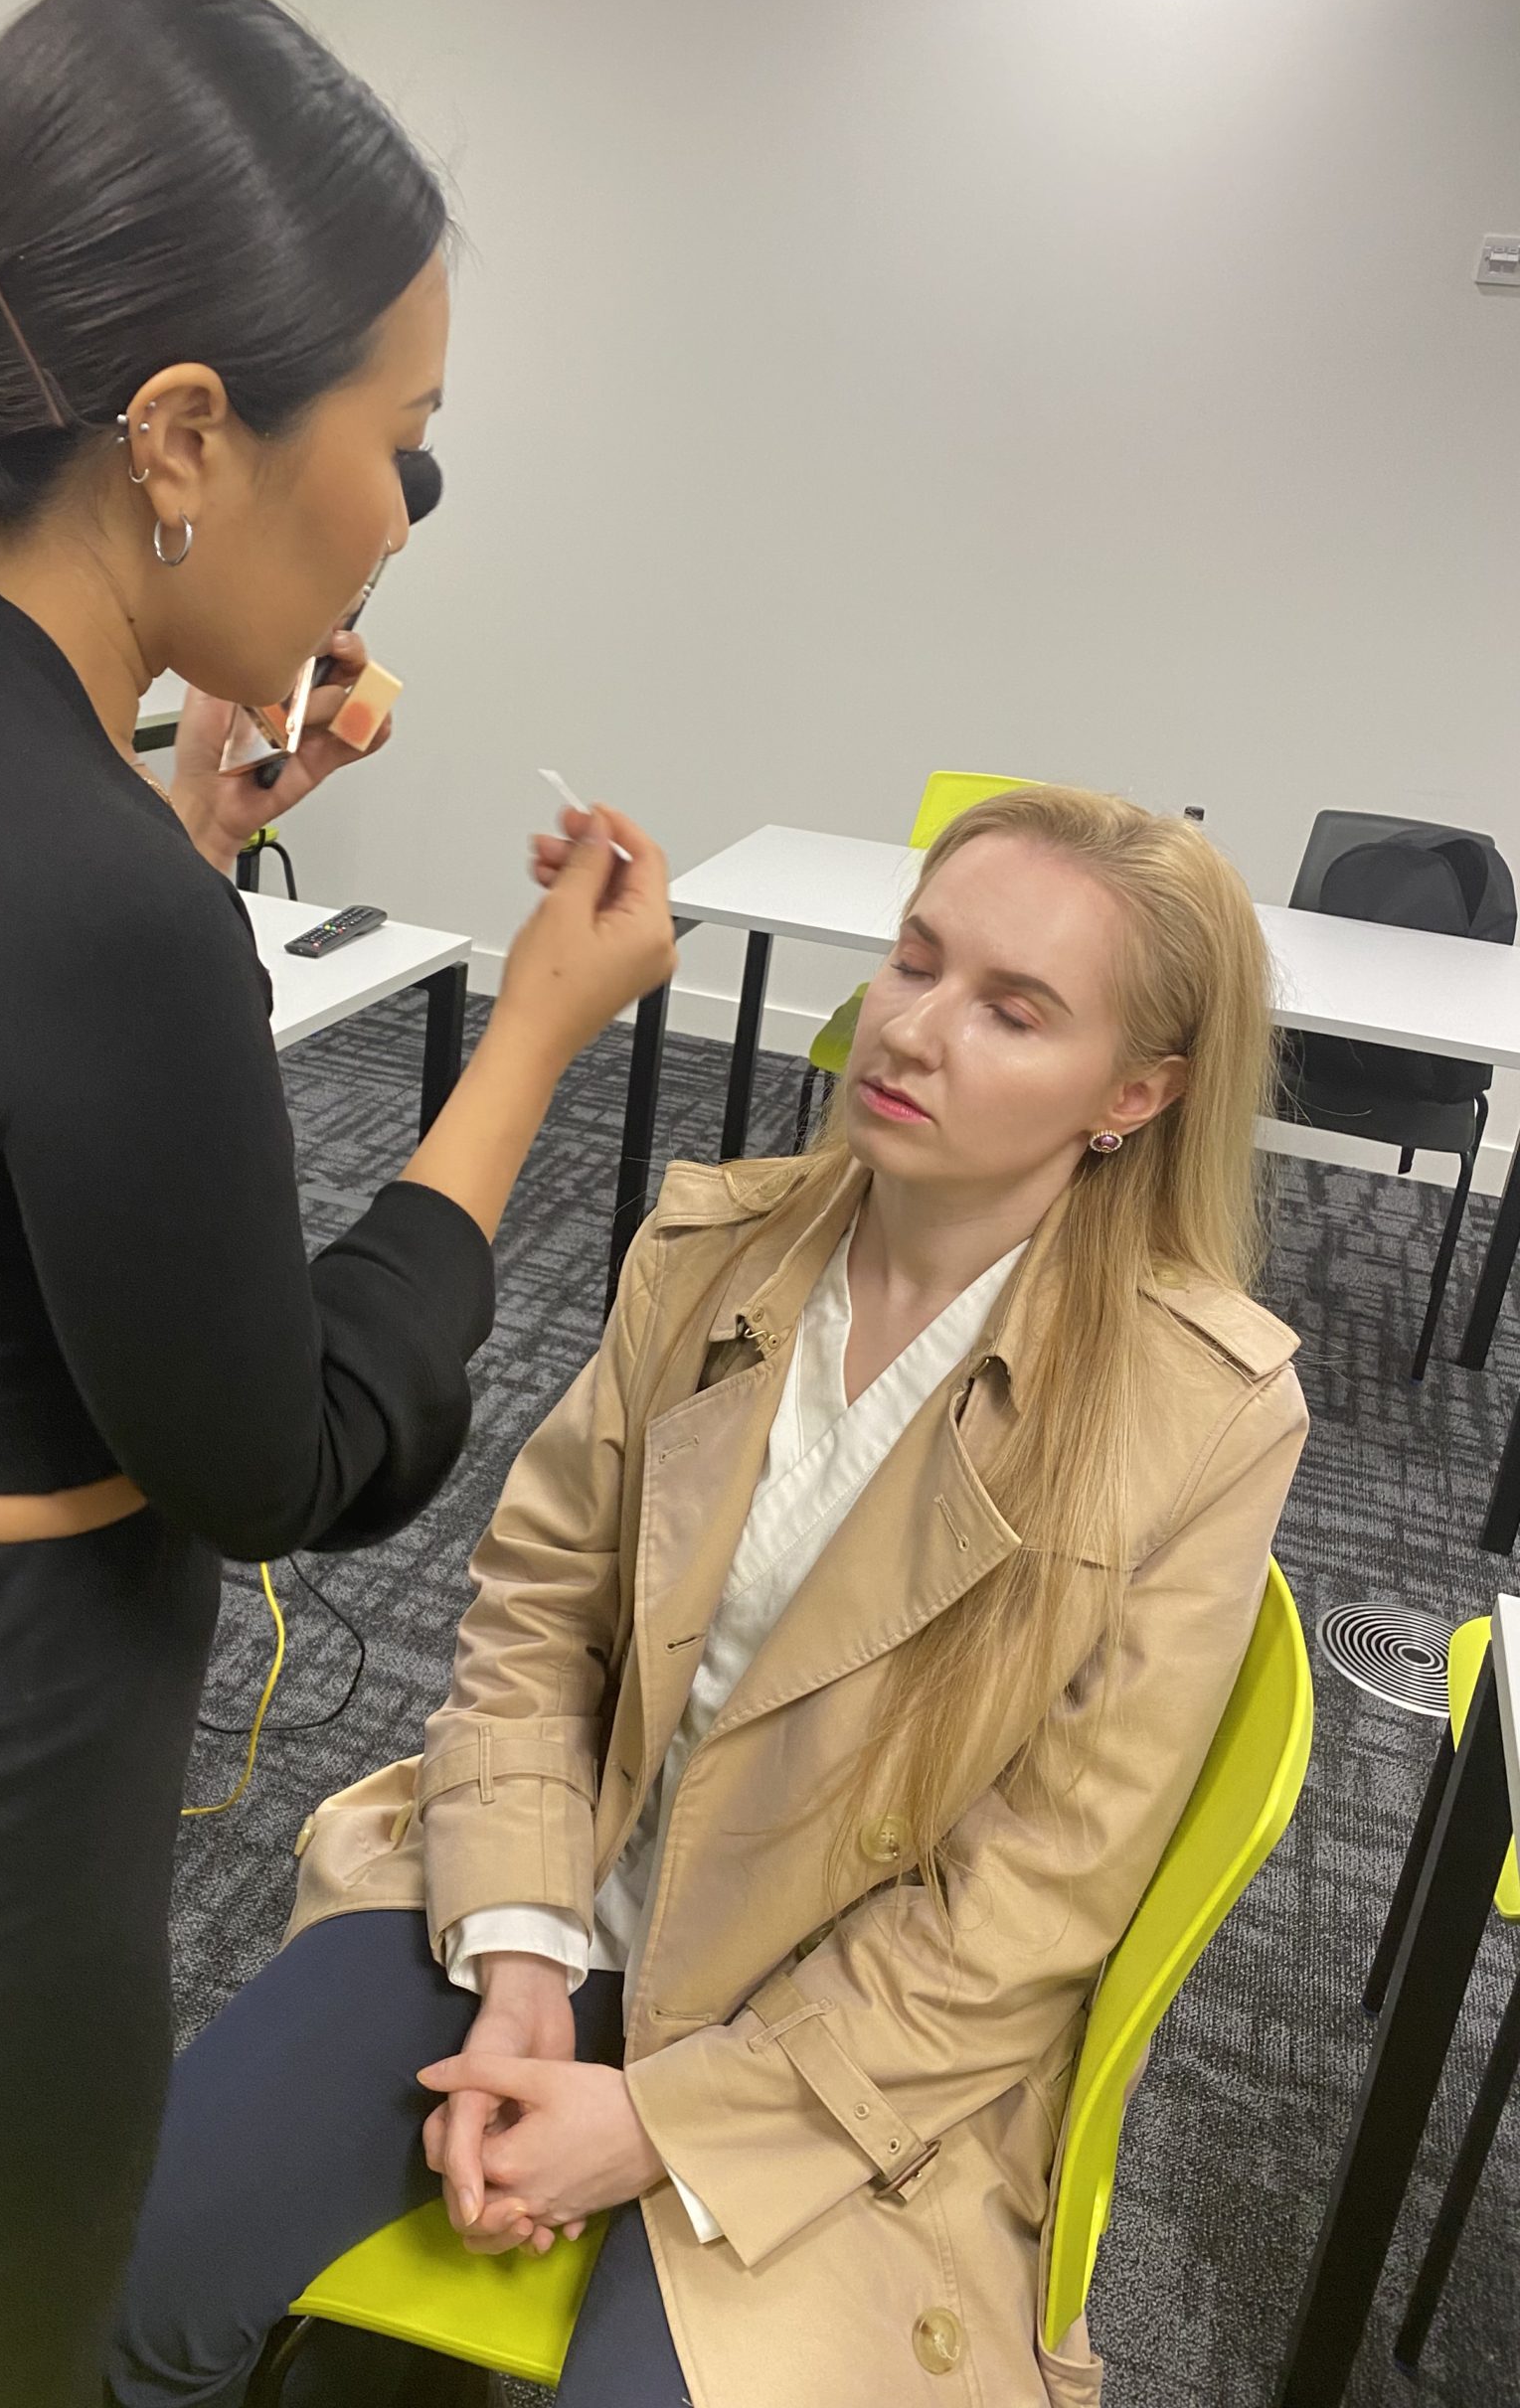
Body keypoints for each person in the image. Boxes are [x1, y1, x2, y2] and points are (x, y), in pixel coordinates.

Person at [0, 0, 675, 2408]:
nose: (410, 507)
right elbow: (282, 1450)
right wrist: (526, 1034)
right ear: (183, 432)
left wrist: (191, 824)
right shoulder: (91, 892)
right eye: (407, 442)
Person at [105, 785, 1310, 2408]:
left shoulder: (1206, 1414)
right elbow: (536, 1618)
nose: (912, 1029)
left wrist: (662, 2121)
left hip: (850, 2053)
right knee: (115, 2286)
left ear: (1136, 1092)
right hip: (565, 1877)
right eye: (916, 962)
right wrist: (528, 1959)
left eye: (1013, 1012)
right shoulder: (709, 1245)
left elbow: (1030, 1909)